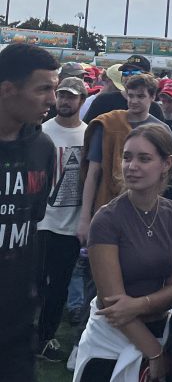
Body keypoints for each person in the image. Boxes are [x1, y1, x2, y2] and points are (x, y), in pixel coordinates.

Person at [73, 125, 172, 381]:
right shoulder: (106, 219)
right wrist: (154, 353)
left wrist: (140, 304)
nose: (131, 166)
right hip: (111, 339)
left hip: (161, 328)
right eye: (127, 157)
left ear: (166, 163)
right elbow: (113, 304)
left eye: (144, 158)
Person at [0, 44, 58, 382]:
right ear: (8, 89)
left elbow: (32, 219)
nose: (52, 98)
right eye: (43, 88)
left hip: (17, 319)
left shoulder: (42, 147)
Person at [78, 74, 170, 245]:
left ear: (152, 97)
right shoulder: (108, 124)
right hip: (107, 205)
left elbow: (163, 177)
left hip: (147, 210)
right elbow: (93, 173)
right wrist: (84, 218)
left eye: (140, 96)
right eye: (131, 95)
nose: (134, 100)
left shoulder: (161, 130)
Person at [35, 77, 89, 363]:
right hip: (42, 221)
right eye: (62, 96)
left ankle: (45, 338)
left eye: (72, 97)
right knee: (35, 284)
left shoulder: (89, 134)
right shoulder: (41, 131)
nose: (65, 101)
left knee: (59, 286)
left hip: (72, 224)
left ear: (82, 100)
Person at [83, 55, 165, 123]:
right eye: (125, 73)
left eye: (134, 73)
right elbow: (88, 131)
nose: (128, 76)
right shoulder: (104, 101)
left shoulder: (154, 109)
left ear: (148, 76)